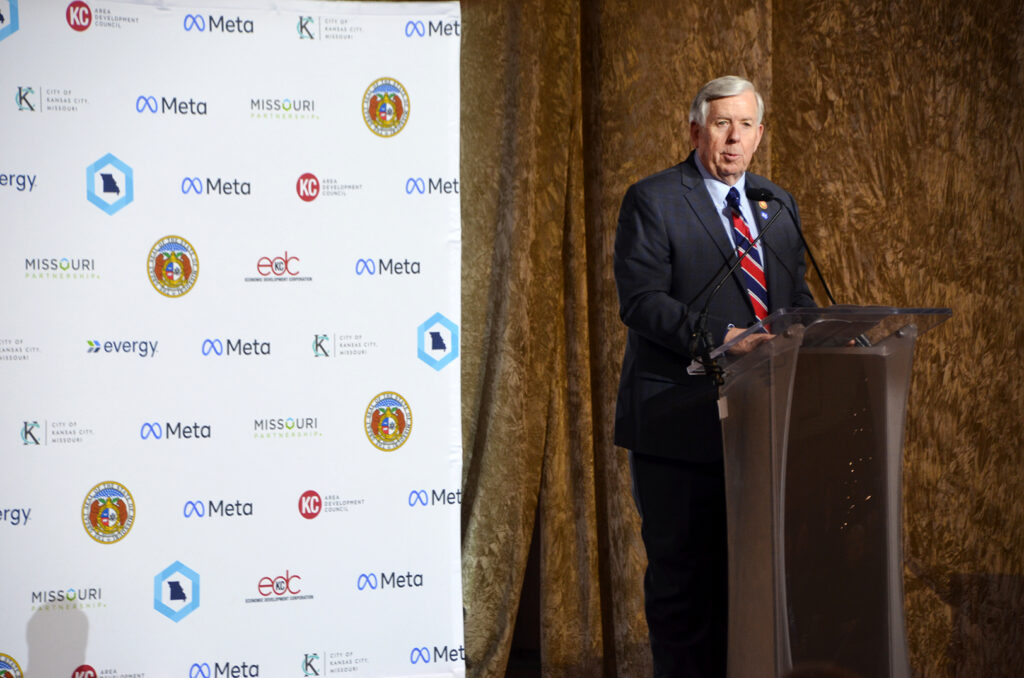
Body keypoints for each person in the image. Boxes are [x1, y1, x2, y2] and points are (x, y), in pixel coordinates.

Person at [613, 75, 816, 677]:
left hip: (761, 429)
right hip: (679, 427)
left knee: (751, 591)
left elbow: (794, 297)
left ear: (760, 134)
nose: (734, 138)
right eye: (722, 123)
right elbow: (642, 301)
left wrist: (829, 333)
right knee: (685, 595)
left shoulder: (775, 206)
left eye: (746, 125)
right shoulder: (653, 199)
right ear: (696, 128)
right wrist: (725, 340)